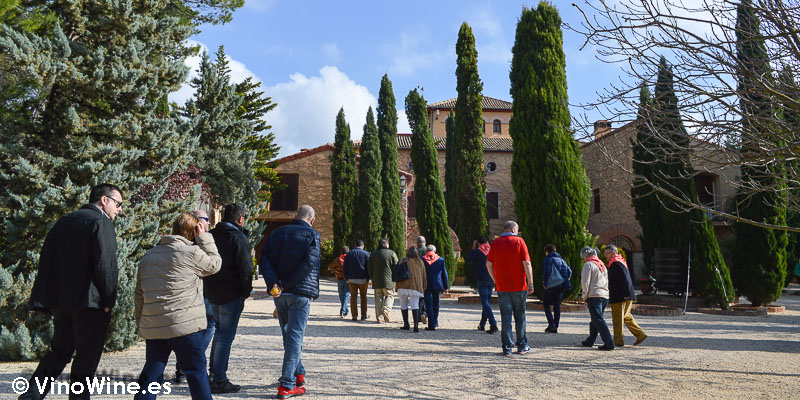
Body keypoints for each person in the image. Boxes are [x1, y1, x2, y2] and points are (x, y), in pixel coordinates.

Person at [19, 184, 122, 400]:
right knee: (87, 355)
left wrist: (50, 297)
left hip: (63, 302)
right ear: (104, 200)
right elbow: (106, 265)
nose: (119, 209)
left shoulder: (64, 222)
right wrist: (109, 300)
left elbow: (48, 260)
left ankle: (32, 395)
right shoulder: (100, 222)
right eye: (118, 203)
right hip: (91, 303)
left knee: (59, 351)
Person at [134, 212, 222, 400]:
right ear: (193, 232)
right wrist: (205, 237)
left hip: (155, 326)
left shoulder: (148, 257)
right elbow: (215, 264)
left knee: (151, 374)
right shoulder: (192, 253)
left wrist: (141, 323)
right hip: (185, 327)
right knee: (196, 374)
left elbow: (139, 295)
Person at [261, 205, 321, 399]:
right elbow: (307, 265)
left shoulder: (278, 233)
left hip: (280, 294)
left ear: (296, 216)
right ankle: (287, 384)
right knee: (294, 338)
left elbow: (266, 259)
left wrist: (274, 284)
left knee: (289, 337)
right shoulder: (313, 235)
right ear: (312, 220)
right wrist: (285, 284)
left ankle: (298, 372)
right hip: (300, 293)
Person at [203, 203, 253, 394]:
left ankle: (213, 374)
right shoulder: (238, 237)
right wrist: (246, 290)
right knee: (225, 336)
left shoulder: (212, 236)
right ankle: (219, 378)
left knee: (218, 333)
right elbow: (245, 267)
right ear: (240, 219)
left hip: (212, 291)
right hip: (231, 293)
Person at [174, 209, 212, 384]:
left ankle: (184, 366)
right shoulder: (196, 247)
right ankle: (186, 366)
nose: (206, 224)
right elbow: (214, 264)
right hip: (191, 302)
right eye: (203, 220)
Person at [486, 221, 533, 356]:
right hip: (519, 285)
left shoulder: (495, 243)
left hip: (502, 286)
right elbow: (527, 263)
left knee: (505, 317)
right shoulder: (519, 242)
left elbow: (488, 264)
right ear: (513, 229)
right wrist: (531, 283)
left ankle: (507, 348)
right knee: (520, 316)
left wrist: (495, 279)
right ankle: (522, 346)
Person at [604, 245, 647, 347]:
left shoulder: (615, 264)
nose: (605, 255)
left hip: (620, 296)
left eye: (607, 253)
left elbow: (624, 280)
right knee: (626, 316)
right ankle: (640, 335)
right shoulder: (620, 261)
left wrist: (626, 295)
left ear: (613, 253)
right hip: (626, 294)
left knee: (618, 319)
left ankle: (618, 341)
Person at [580, 246, 614, 351]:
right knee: (595, 318)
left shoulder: (588, 265)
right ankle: (590, 340)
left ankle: (609, 342)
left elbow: (585, 283)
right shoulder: (601, 264)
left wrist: (584, 296)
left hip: (594, 295)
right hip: (604, 295)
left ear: (586, 255)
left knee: (598, 319)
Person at [467, 237, 497, 334]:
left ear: (478, 243)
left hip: (481, 279)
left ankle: (493, 324)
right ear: (487, 242)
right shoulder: (492, 250)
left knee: (485, 302)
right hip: (491, 279)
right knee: (487, 302)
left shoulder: (477, 252)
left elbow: (468, 260)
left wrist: (473, 247)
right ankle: (482, 324)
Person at [396, 247, 427, 332]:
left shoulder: (403, 261)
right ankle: (416, 325)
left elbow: (397, 274)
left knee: (403, 304)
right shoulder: (420, 262)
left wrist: (396, 286)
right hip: (415, 286)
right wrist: (424, 286)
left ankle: (406, 324)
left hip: (403, 285)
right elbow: (424, 275)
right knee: (415, 305)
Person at [542, 244, 572, 334]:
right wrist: (566, 279)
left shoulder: (548, 259)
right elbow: (569, 271)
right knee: (557, 306)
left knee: (546, 304)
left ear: (547, 251)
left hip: (551, 285)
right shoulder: (561, 260)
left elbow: (547, 271)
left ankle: (551, 324)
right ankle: (555, 326)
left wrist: (545, 283)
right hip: (561, 285)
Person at [368, 238, 399, 323]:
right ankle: (385, 311)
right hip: (389, 280)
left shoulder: (373, 254)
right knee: (390, 296)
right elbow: (396, 267)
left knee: (378, 299)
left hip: (377, 280)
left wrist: (372, 277)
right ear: (386, 245)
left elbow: (369, 268)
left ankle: (379, 318)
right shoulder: (392, 253)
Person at [422, 244, 449, 331]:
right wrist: (446, 286)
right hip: (438, 285)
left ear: (426, 251)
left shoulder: (422, 260)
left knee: (428, 305)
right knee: (436, 304)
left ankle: (431, 325)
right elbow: (444, 274)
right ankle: (435, 321)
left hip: (426, 285)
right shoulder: (440, 260)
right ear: (435, 251)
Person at [343, 240, 370, 321]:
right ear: (363, 245)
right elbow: (369, 267)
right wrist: (368, 277)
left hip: (352, 278)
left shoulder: (349, 254)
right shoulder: (366, 254)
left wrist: (347, 277)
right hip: (363, 279)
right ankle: (363, 314)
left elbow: (345, 267)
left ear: (355, 245)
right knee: (363, 297)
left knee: (353, 297)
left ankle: (354, 315)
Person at [327, 246, 350, 317]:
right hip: (348, 279)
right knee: (346, 294)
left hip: (340, 279)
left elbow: (329, 267)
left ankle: (343, 310)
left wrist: (335, 269)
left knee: (341, 295)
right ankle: (345, 310)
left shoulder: (337, 259)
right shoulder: (350, 259)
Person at [415, 236, 429, 324]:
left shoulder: (415, 252)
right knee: (426, 296)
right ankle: (425, 313)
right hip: (427, 277)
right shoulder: (428, 251)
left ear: (417, 242)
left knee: (418, 297)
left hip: (417, 277)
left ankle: (420, 315)